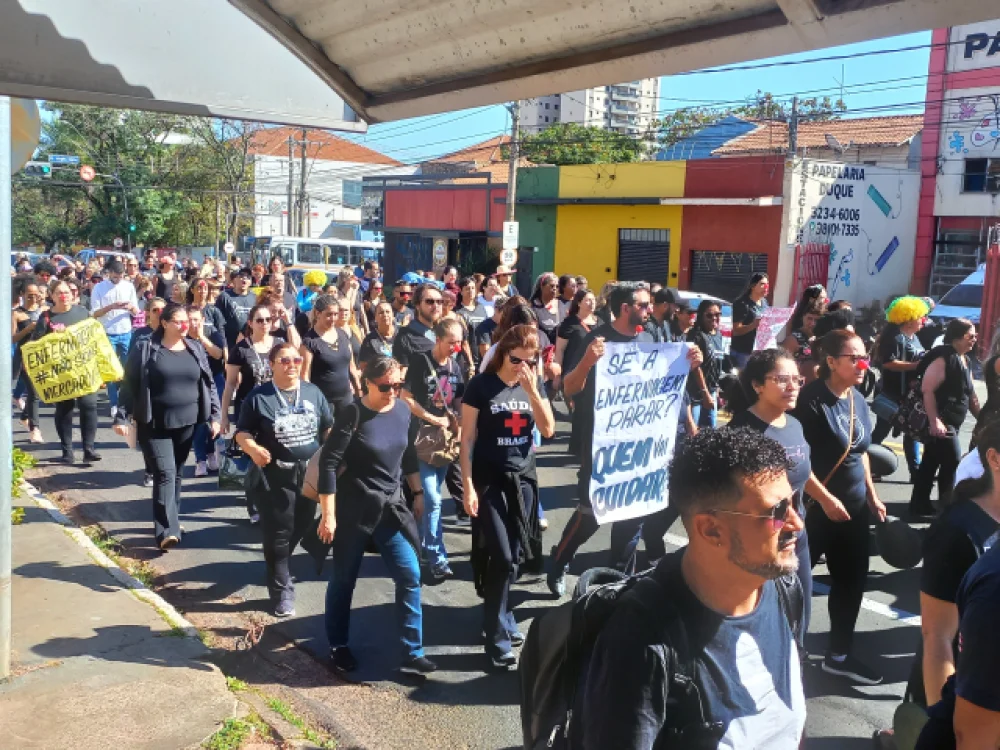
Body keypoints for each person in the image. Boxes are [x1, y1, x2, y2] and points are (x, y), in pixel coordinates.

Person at [581, 427, 806, 749]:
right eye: (777, 511)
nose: (797, 523)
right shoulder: (641, 639)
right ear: (711, 530)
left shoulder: (784, 587)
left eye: (795, 501)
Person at [549, 283, 701, 593]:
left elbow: (664, 384)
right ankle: (560, 559)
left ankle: (618, 585)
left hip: (639, 448)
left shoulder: (649, 339)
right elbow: (569, 388)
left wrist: (688, 361)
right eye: (644, 305)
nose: (650, 310)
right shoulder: (597, 340)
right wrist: (587, 362)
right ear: (625, 309)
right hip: (602, 446)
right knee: (590, 515)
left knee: (632, 517)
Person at [316, 356, 437, 677]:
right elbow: (329, 463)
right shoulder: (352, 414)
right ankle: (338, 645)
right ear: (368, 383)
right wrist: (328, 515)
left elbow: (408, 454)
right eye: (385, 387)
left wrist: (418, 492)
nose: (392, 392)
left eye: (398, 385)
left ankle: (413, 651)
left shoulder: (402, 411)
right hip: (354, 511)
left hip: (391, 508)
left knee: (409, 573)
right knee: (344, 579)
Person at [728, 348, 852, 645]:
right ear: (757, 385)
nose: (793, 386)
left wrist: (826, 499)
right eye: (782, 379)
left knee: (799, 613)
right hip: (760, 541)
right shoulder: (742, 432)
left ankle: (795, 661)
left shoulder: (793, 424)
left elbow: (802, 471)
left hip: (797, 536)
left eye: (797, 379)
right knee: (763, 619)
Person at [793, 329, 887, 684]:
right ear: (831, 361)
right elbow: (797, 460)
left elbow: (860, 451)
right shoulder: (810, 401)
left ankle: (839, 655)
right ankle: (788, 652)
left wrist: (872, 495)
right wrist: (825, 499)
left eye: (865, 357)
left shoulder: (857, 398)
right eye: (854, 358)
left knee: (851, 582)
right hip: (815, 512)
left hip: (853, 512)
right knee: (794, 585)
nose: (864, 365)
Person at [460, 325, 555, 668]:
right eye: (516, 360)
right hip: (489, 479)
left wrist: (532, 392)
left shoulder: (532, 385)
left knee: (514, 557)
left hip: (523, 479)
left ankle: (499, 615)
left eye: (529, 361)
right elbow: (467, 439)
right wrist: (467, 485)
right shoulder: (481, 386)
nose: (522, 367)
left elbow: (548, 429)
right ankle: (496, 637)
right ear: (503, 354)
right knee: (501, 554)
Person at [235, 341, 333, 616]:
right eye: (285, 361)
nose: (292, 365)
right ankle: (282, 591)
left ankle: (277, 562)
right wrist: (253, 449)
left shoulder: (313, 392)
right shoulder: (259, 397)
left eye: (296, 360)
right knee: (279, 533)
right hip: (275, 475)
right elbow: (242, 432)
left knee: (301, 524)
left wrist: (336, 452)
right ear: (272, 365)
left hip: (309, 475)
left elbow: (327, 428)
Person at [115, 303, 221, 550]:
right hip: (154, 424)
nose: (185, 326)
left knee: (177, 472)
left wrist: (215, 416)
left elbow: (208, 384)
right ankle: (166, 531)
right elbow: (129, 384)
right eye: (179, 321)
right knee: (165, 473)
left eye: (188, 321)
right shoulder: (146, 348)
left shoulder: (195, 347)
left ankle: (172, 520)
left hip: (188, 422)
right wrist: (121, 416)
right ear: (164, 323)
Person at [401, 318, 466, 582]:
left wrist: (459, 423)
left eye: (459, 343)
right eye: (451, 343)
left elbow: (459, 397)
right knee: (433, 499)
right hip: (421, 439)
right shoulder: (420, 361)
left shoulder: (455, 365)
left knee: (429, 501)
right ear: (437, 340)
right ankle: (437, 557)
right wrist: (432, 418)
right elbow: (405, 398)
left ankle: (416, 547)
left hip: (445, 442)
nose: (456, 348)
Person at [910, 318, 980, 518]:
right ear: (957, 336)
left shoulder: (965, 360)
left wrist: (981, 417)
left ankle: (919, 505)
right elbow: (928, 390)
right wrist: (935, 421)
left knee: (931, 461)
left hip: (954, 422)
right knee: (952, 461)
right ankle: (946, 507)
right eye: (970, 336)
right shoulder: (944, 358)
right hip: (943, 421)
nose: (974, 339)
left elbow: (970, 394)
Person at [221, 303, 279, 524]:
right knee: (254, 458)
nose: (264, 324)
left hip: (276, 409)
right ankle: (254, 504)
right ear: (251, 323)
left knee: (275, 456)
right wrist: (224, 416)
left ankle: (273, 502)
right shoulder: (241, 349)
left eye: (268, 320)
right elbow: (229, 384)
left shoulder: (279, 345)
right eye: (260, 320)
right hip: (249, 410)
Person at [33, 280, 100, 464]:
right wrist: (53, 338)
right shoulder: (46, 317)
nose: (64, 296)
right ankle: (67, 451)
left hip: (84, 369)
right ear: (52, 296)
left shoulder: (83, 313)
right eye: (59, 293)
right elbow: (35, 345)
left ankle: (89, 449)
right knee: (65, 409)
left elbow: (95, 338)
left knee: (89, 405)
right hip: (60, 372)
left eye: (67, 292)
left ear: (73, 294)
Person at [872, 296, 929, 482]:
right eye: (920, 316)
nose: (923, 320)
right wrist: (916, 366)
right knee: (881, 431)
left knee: (912, 433)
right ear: (909, 319)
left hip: (909, 395)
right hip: (893, 393)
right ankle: (867, 466)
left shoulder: (914, 337)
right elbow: (888, 363)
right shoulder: (894, 338)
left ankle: (916, 472)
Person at [90, 259, 140, 418]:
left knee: (127, 368)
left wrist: (130, 307)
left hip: (126, 331)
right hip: (106, 332)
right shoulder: (99, 288)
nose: (118, 279)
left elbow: (136, 311)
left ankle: (124, 399)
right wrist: (111, 306)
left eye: (121, 276)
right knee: (110, 369)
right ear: (109, 273)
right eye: (115, 276)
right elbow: (94, 313)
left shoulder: (129, 286)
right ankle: (113, 402)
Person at [300, 294, 362, 415]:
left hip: (346, 398)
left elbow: (352, 368)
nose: (333, 318)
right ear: (318, 314)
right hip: (323, 402)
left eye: (335, 314)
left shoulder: (343, 334)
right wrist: (310, 401)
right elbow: (304, 376)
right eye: (329, 314)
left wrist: (359, 391)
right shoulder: (309, 341)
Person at [187, 306, 227, 478]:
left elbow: (218, 355)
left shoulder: (212, 333)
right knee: (199, 423)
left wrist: (201, 337)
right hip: (194, 383)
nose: (193, 323)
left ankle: (211, 453)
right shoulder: (182, 339)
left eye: (196, 319)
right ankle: (200, 460)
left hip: (215, 379)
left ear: (203, 320)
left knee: (214, 420)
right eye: (189, 320)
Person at [13, 278, 46, 444]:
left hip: (42, 356)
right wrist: (27, 328)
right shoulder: (17, 313)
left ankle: (25, 416)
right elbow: (12, 338)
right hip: (25, 358)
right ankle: (35, 430)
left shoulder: (44, 310)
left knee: (39, 390)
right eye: (29, 295)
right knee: (33, 393)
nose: (33, 298)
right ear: (22, 294)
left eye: (35, 295)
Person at [687, 299, 728, 428]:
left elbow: (716, 365)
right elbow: (695, 366)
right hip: (695, 393)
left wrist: (716, 390)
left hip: (711, 391)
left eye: (717, 314)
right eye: (709, 315)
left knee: (710, 430)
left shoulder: (718, 335)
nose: (714, 318)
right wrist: (705, 393)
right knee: (693, 432)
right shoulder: (696, 335)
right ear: (701, 316)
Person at [392, 284, 443, 374]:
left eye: (439, 301)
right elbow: (400, 373)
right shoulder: (405, 337)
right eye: (429, 301)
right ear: (418, 305)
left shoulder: (445, 332)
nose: (436, 306)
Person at [730, 272, 770, 369]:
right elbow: (736, 330)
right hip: (743, 352)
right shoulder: (742, 304)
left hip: (759, 351)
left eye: (767, 284)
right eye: (762, 284)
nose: (766, 287)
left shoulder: (764, 303)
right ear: (752, 286)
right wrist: (753, 325)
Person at [216, 268, 257, 352]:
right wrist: (223, 345)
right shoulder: (225, 296)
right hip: (229, 343)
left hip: (250, 343)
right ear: (234, 280)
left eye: (248, 277)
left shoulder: (254, 297)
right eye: (241, 276)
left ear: (250, 282)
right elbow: (218, 322)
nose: (244, 279)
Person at [529, 272, 561, 342]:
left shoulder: (561, 304)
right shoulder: (532, 306)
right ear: (542, 286)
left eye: (557, 286)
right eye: (552, 286)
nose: (555, 289)